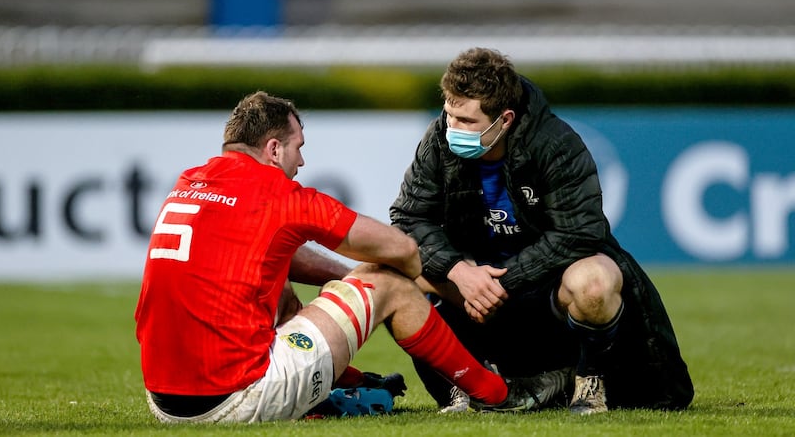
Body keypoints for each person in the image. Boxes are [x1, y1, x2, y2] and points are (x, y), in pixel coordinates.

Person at [134, 90, 563, 424]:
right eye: (298, 146)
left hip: (165, 401)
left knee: (275, 282)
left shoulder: (192, 180)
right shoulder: (277, 194)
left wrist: (345, 279)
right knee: (390, 284)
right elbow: (400, 248)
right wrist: (446, 281)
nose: (302, 160)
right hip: (235, 395)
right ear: (273, 149)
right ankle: (497, 395)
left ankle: (348, 383)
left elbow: (279, 255)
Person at [390, 47, 695, 415]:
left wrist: (505, 280)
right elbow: (407, 219)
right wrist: (460, 272)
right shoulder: (440, 138)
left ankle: (589, 384)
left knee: (595, 281)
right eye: (449, 114)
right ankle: (462, 388)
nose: (452, 128)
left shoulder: (556, 144)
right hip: (473, 287)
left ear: (504, 120)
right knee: (395, 278)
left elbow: (582, 233)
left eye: (467, 121)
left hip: (545, 288)